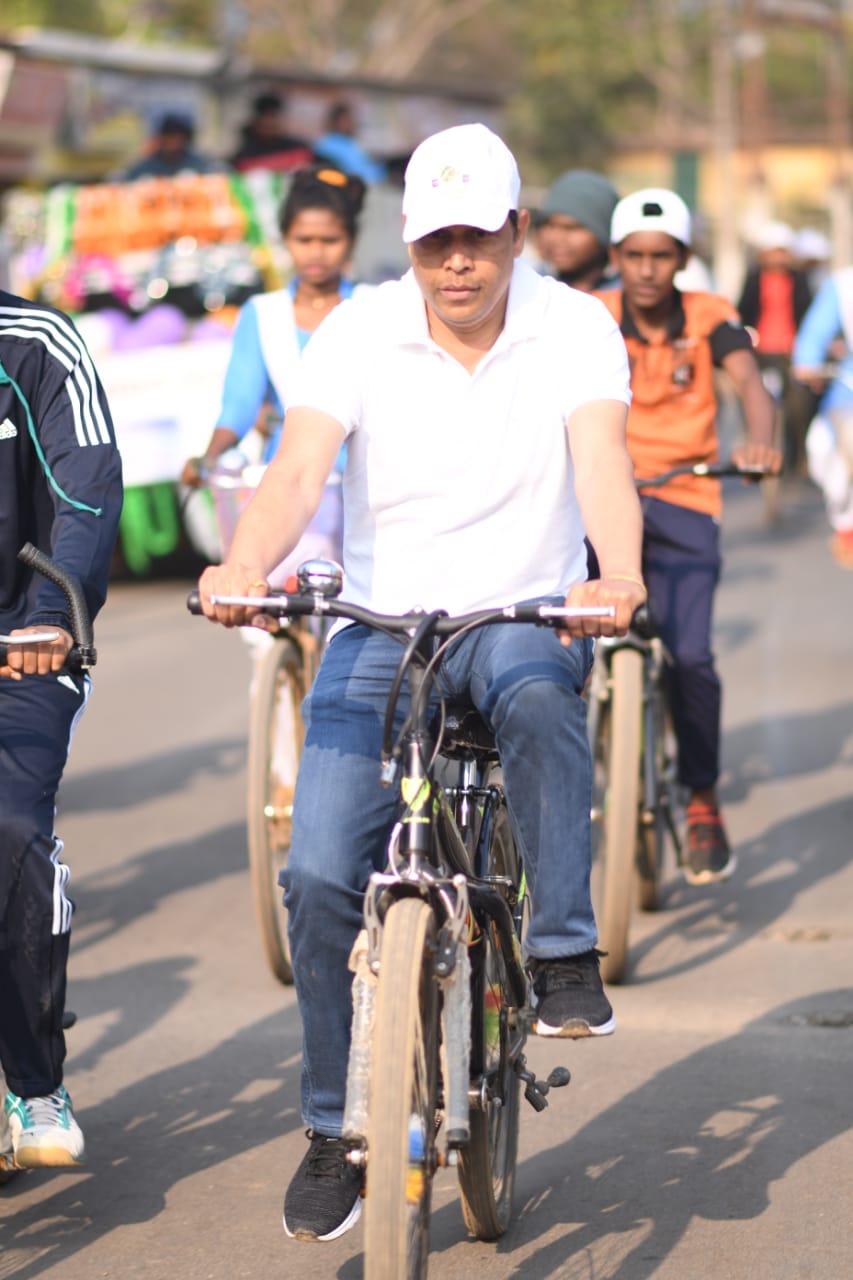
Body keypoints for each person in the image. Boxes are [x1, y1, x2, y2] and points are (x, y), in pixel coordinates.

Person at [198, 121, 646, 1243]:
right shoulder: (357, 329)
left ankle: (557, 952)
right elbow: (301, 462)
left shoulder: (574, 325)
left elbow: (600, 457)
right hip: (378, 627)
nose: (458, 264)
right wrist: (248, 561)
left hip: (517, 613)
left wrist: (618, 573)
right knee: (314, 871)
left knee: (543, 698)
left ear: (515, 232)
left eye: (479, 239)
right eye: (436, 240)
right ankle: (330, 1127)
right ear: (407, 241)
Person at [597, 189, 781, 885]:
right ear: (615, 258)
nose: (646, 269)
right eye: (634, 256)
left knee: (693, 657)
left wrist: (761, 443)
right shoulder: (590, 318)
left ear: (681, 259)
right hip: (601, 495)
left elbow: (748, 383)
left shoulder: (710, 317)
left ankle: (701, 796)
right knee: (547, 644)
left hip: (685, 494)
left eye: (660, 256)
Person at [0, 289, 123, 1172]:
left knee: (7, 831)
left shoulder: (36, 341)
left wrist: (53, 613)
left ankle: (34, 1078)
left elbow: (84, 491)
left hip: (21, 646)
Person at [182, 166, 370, 486]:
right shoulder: (264, 314)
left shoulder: (375, 305)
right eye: (304, 239)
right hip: (288, 483)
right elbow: (239, 404)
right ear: (285, 240)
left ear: (351, 241)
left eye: (330, 240)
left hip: (367, 478)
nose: (316, 251)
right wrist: (209, 457)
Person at [737, 220, 813, 474]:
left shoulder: (799, 281)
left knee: (798, 404)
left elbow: (808, 316)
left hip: (790, 351)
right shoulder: (754, 278)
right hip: (760, 350)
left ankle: (798, 454)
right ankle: (754, 442)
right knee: (750, 393)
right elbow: (743, 312)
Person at [791, 265, 853, 568]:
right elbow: (812, 340)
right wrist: (809, 362)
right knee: (824, 448)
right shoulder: (843, 286)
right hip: (848, 393)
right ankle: (847, 525)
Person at [534, 169, 619, 293]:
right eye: (550, 226)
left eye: (571, 228)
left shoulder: (629, 299)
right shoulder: (530, 288)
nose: (557, 238)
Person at [119, 112, 222, 181]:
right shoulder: (146, 166)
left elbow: (218, 176)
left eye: (178, 137)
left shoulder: (199, 164)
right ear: (161, 137)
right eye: (169, 136)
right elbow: (126, 179)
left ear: (186, 140)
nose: (173, 142)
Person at [229, 91, 314, 175]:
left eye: (273, 117)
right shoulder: (244, 155)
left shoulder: (298, 148)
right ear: (256, 121)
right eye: (266, 117)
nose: (270, 123)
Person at [313, 100, 387, 185]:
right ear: (335, 121)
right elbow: (355, 171)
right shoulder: (327, 143)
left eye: (350, 120)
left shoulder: (351, 143)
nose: (349, 123)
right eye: (345, 120)